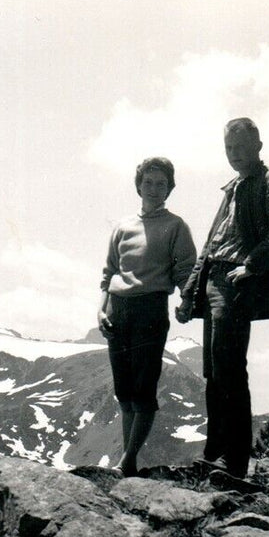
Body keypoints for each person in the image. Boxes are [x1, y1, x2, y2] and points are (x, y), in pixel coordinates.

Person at [176, 118, 269, 481]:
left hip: (238, 283)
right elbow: (211, 245)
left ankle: (234, 464)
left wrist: (251, 265)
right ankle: (215, 454)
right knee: (214, 372)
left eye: (242, 148)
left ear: (258, 146)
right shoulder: (232, 189)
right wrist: (189, 295)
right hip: (216, 281)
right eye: (229, 149)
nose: (235, 155)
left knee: (229, 370)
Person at [98, 156, 198, 477]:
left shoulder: (176, 227)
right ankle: (128, 465)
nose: (154, 189)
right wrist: (102, 308)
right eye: (149, 182)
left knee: (143, 394)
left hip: (150, 310)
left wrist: (187, 299)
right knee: (124, 394)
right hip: (118, 310)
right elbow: (110, 271)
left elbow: (186, 271)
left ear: (170, 188)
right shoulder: (122, 227)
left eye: (161, 184)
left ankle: (127, 459)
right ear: (138, 185)